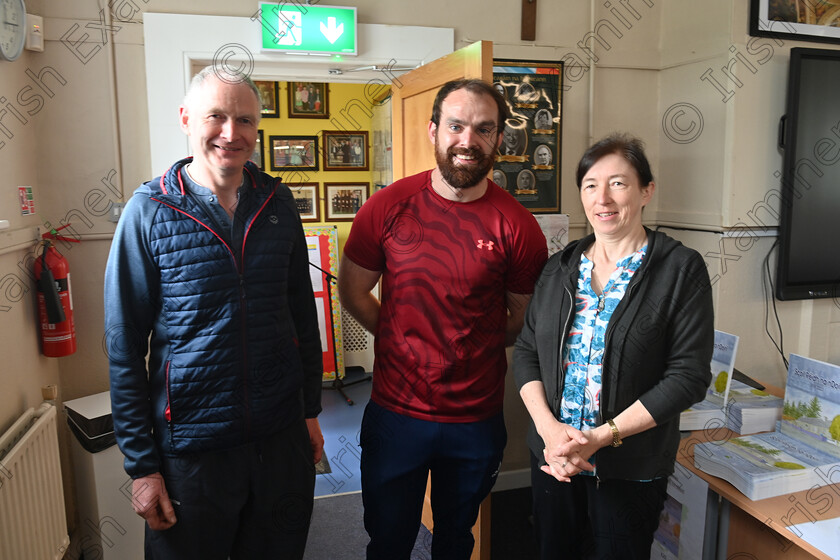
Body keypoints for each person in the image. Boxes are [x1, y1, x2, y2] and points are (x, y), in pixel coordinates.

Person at [105, 65, 325, 560]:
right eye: (216, 117)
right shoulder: (148, 212)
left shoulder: (277, 202)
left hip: (279, 441)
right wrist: (142, 466)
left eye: (245, 121)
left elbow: (300, 316)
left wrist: (310, 410)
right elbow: (123, 349)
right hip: (191, 454)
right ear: (186, 119)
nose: (231, 133)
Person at [339, 79, 548, 560]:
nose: (467, 141)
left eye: (483, 129)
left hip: (474, 419)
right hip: (396, 414)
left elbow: (521, 318)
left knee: (456, 541)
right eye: (456, 126)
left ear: (498, 139)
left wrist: (469, 345)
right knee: (387, 541)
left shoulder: (517, 226)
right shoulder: (387, 207)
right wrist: (397, 336)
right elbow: (353, 291)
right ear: (434, 131)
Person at [513, 133, 714, 559]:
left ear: (646, 191)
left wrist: (600, 438)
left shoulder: (679, 269)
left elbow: (688, 377)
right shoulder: (559, 267)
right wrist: (550, 431)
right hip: (555, 459)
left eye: (618, 183)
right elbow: (528, 351)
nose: (602, 197)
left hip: (629, 466)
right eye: (590, 185)